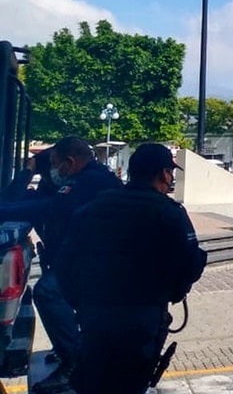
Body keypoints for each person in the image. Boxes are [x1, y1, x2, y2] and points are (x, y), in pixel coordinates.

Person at [57, 143, 207, 394]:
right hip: (142, 319)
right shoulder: (170, 213)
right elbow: (190, 264)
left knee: (94, 382)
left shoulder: (94, 208)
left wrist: (80, 303)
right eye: (170, 173)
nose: (170, 179)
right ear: (163, 174)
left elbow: (64, 263)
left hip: (94, 315)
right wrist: (173, 292)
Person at [0, 137, 121, 393]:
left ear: (70, 162)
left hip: (100, 265)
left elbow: (46, 208)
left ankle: (75, 365)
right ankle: (71, 352)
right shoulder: (69, 180)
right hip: (81, 261)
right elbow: (17, 198)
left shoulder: (92, 180)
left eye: (55, 165)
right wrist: (29, 171)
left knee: (48, 292)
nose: (53, 171)